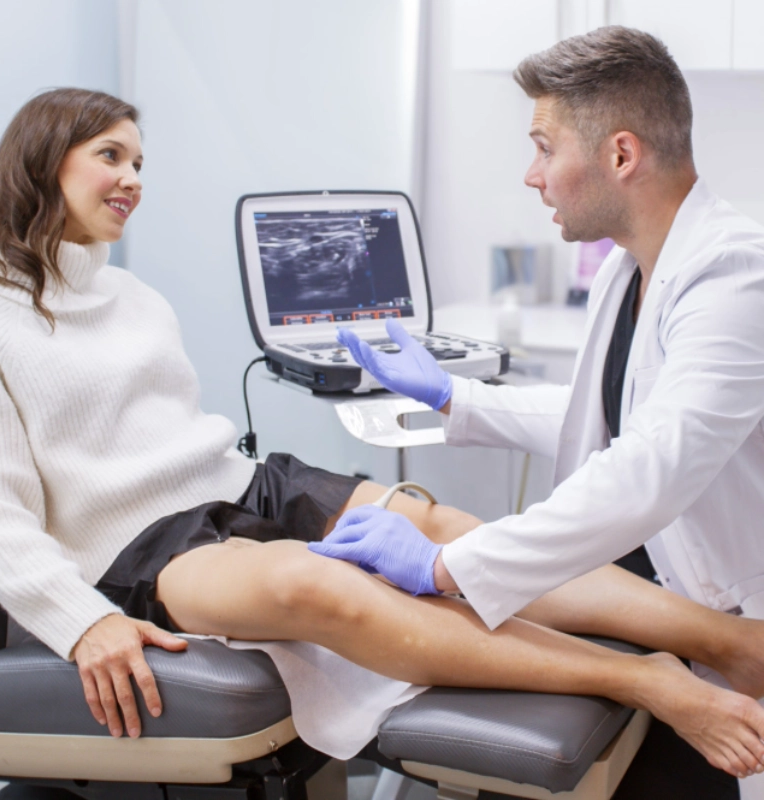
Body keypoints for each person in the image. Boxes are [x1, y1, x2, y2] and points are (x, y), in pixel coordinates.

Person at [0, 88, 764, 792]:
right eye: (112, 156)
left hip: (240, 484)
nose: (134, 179)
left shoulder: (132, 294)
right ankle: (647, 680)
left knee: (435, 522)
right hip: (137, 546)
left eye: (140, 159)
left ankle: (728, 639)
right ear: (43, 159)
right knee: (327, 587)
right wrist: (78, 620)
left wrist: (451, 407)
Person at [311, 26, 764, 798]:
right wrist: (457, 396)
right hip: (651, 582)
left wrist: (446, 568)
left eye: (544, 147)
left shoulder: (732, 277)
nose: (532, 174)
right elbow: (613, 417)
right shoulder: (631, 268)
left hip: (721, 598)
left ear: (621, 156)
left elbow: (648, 468)